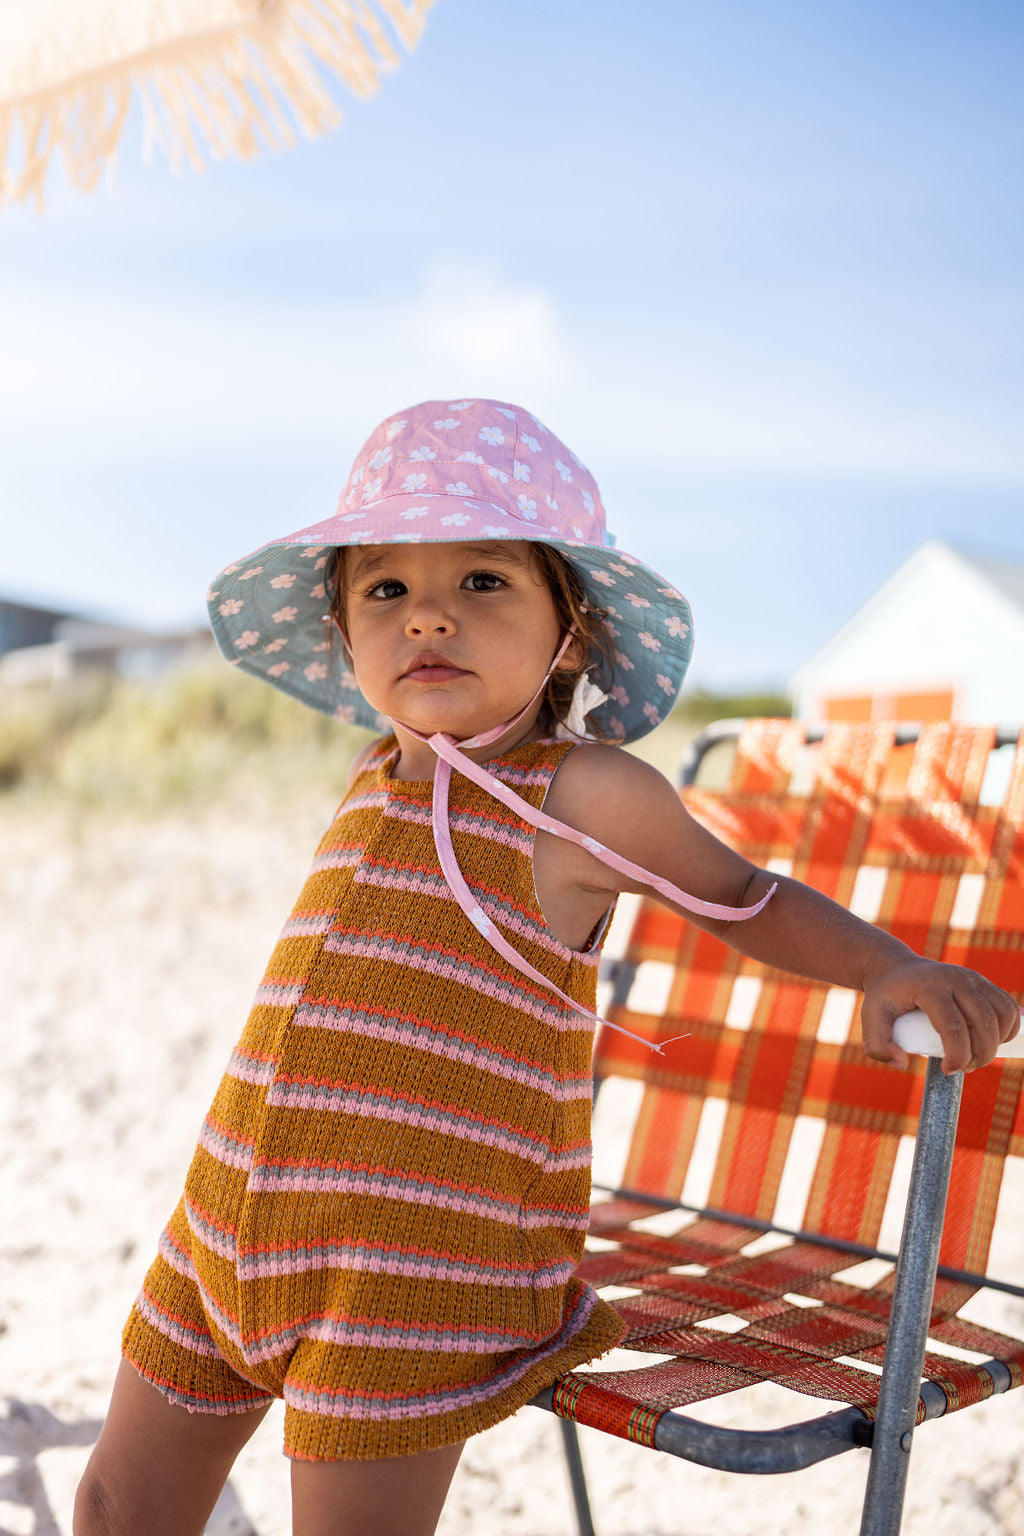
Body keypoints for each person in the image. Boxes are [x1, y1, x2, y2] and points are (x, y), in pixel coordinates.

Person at [75, 397, 1019, 1536]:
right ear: (345, 633)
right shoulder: (375, 771)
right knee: (115, 1504)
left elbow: (745, 896)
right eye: (386, 588)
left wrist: (883, 966)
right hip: (223, 1224)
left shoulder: (582, 795)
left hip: (413, 1265)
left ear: (569, 630)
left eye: (482, 581)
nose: (428, 616)